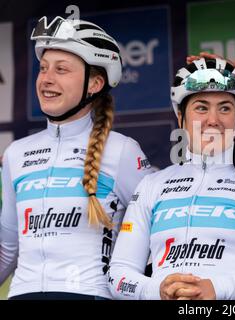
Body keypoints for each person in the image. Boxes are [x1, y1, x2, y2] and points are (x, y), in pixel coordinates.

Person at [108, 57, 235, 300]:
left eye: (225, 108)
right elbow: (118, 276)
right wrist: (157, 290)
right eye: (201, 107)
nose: (213, 120)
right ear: (181, 117)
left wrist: (218, 289)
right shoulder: (152, 185)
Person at [0, 16, 153, 300]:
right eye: (43, 68)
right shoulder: (16, 154)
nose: (46, 79)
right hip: (23, 294)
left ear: (94, 83)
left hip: (90, 293)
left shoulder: (122, 151)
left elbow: (157, 235)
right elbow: (7, 247)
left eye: (61, 70)